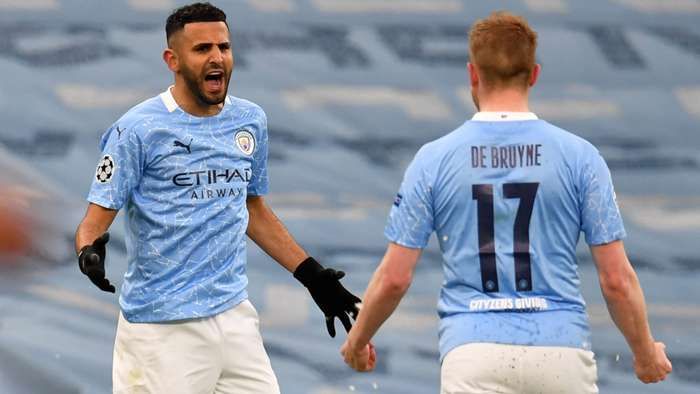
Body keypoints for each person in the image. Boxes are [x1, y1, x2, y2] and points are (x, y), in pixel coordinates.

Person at [340, 11, 672, 393]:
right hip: (560, 351)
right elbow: (616, 280)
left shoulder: (434, 159)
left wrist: (357, 340)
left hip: (473, 351)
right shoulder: (580, 157)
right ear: (534, 75)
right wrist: (644, 352)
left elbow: (395, 278)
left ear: (472, 74)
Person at [74, 3, 362, 393]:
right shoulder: (137, 130)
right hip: (162, 329)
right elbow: (94, 222)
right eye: (203, 49)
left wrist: (311, 276)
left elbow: (251, 208)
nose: (217, 58)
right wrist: (88, 253)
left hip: (234, 318)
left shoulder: (249, 120)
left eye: (224, 47)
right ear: (172, 60)